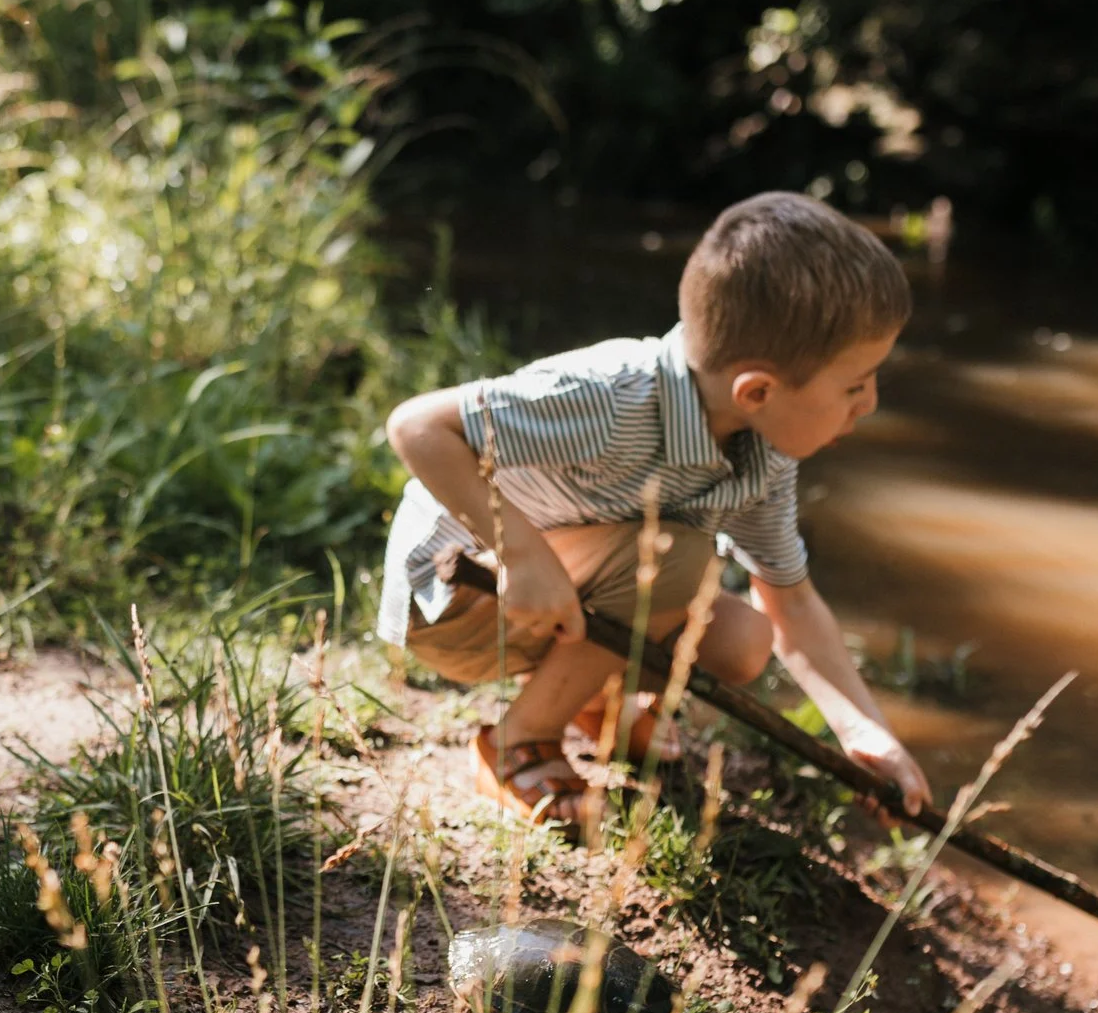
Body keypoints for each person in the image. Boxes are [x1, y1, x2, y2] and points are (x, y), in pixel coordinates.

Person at [378, 191, 931, 827]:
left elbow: (792, 605)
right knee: (676, 555)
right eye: (854, 386)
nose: (870, 404)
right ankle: (516, 743)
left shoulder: (762, 453)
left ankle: (598, 703)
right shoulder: (611, 397)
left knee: (743, 641)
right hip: (459, 598)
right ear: (756, 390)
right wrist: (518, 550)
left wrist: (865, 729)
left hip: (563, 602)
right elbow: (417, 427)